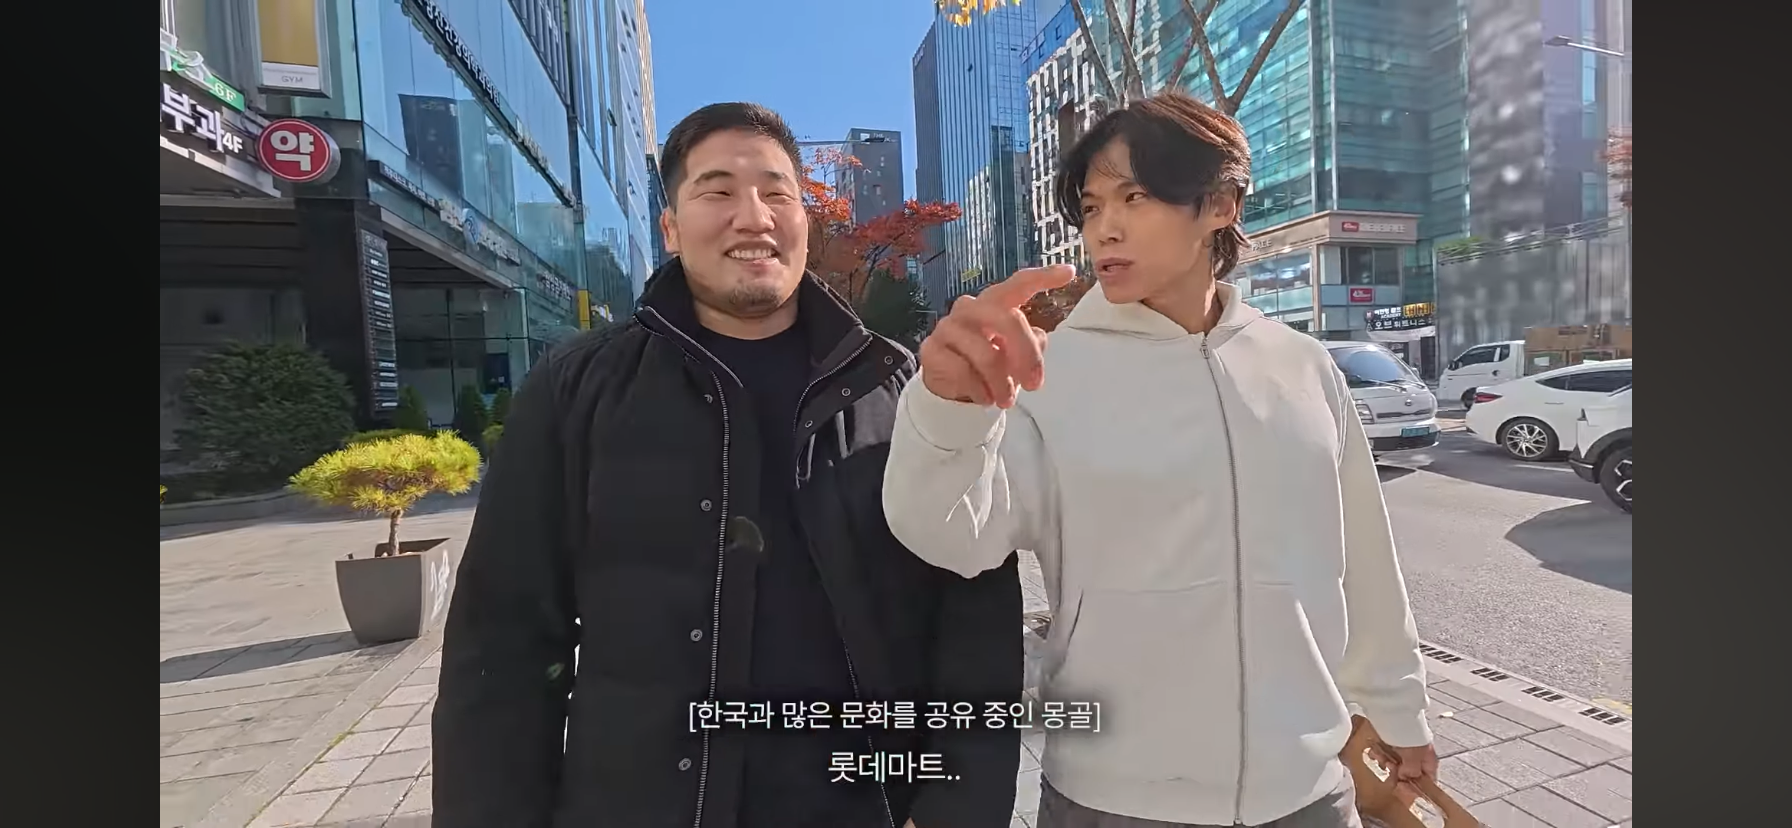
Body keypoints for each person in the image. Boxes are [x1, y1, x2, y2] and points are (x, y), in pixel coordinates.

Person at [433, 102, 1022, 828]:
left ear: (804, 220)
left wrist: (957, 809)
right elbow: (503, 644)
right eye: (717, 191)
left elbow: (971, 619)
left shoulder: (900, 389)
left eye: (778, 194)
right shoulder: (576, 389)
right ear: (671, 228)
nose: (754, 218)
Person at [881, 92, 1437, 828]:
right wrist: (945, 408)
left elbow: (1363, 557)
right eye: (1090, 207)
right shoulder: (1049, 371)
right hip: (1115, 798)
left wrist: (1398, 709)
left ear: (1220, 205)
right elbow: (951, 535)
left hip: (1307, 790)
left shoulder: (1302, 366)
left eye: (1134, 197)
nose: (1103, 228)